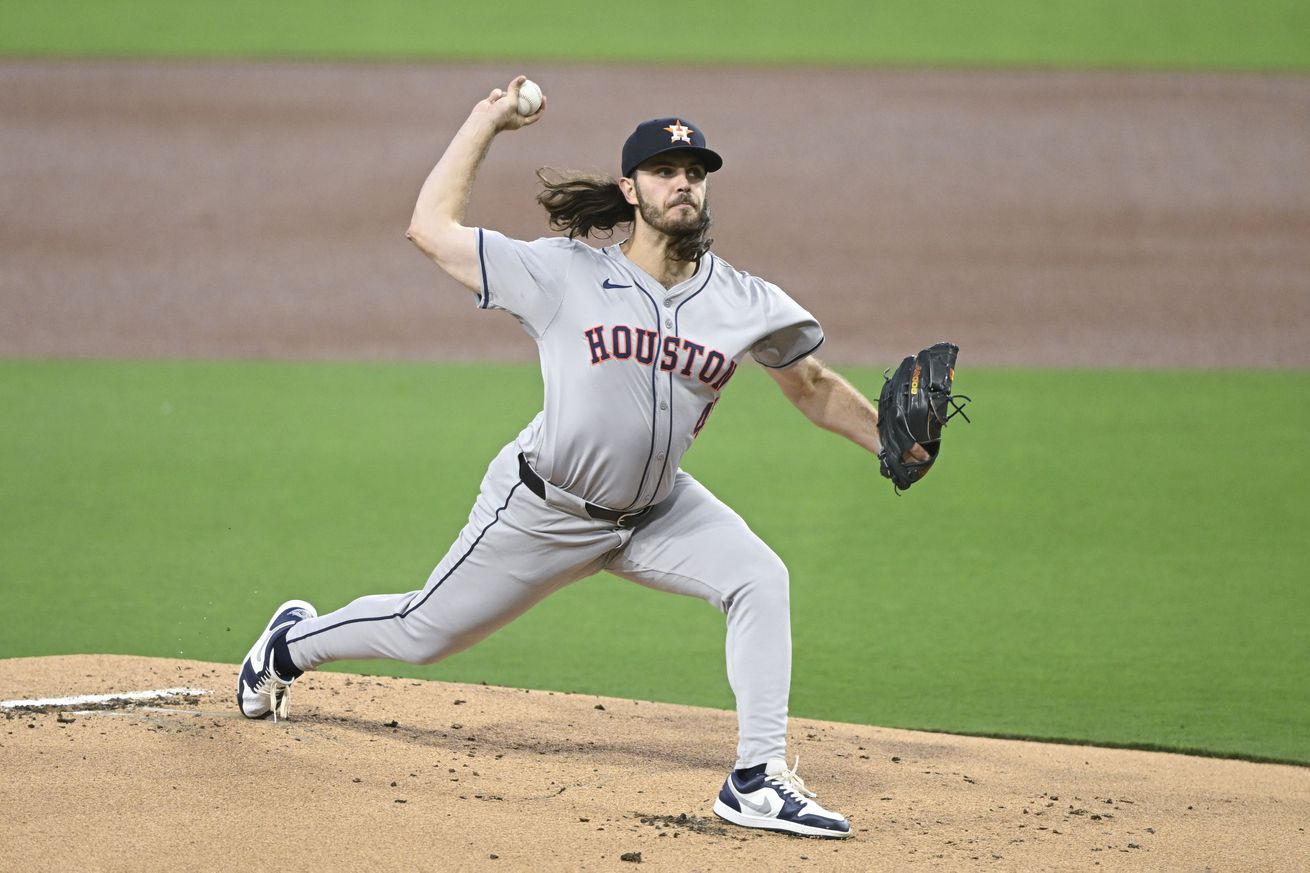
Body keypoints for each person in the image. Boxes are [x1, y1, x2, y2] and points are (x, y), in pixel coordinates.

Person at [237, 76, 927, 839]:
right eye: (666, 171)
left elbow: (811, 385)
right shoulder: (565, 272)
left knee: (759, 577)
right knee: (422, 631)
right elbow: (429, 228)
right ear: (631, 189)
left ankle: (756, 779)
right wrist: (485, 122)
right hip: (544, 508)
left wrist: (889, 440)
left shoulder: (742, 298)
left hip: (659, 509)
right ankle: (287, 646)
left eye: (696, 172)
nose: (684, 184)